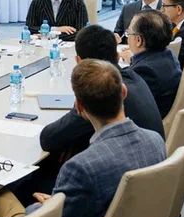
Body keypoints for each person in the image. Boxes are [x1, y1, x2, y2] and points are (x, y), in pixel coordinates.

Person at [25, 59, 165, 217]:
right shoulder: (156, 141)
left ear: (79, 107)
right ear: (124, 92)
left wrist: (46, 209)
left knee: (13, 200)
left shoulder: (81, 167)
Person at [40, 25, 164, 158]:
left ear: (79, 62)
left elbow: (48, 139)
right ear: (116, 55)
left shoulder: (99, 92)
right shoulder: (134, 76)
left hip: (120, 165)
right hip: (153, 159)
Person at [124, 10, 182, 117]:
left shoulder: (145, 71)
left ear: (138, 40)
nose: (128, 37)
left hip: (150, 122)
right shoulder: (169, 55)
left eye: (129, 33)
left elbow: (125, 105)